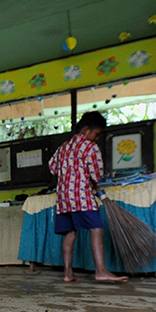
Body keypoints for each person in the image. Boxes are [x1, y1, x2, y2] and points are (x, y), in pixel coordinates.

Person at [48, 111, 127, 283]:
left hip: (63, 199)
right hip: (81, 196)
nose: (97, 138)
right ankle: (101, 271)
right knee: (96, 229)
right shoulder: (91, 148)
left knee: (69, 234)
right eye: (96, 133)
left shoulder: (63, 147)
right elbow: (96, 175)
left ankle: (68, 273)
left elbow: (52, 168)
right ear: (85, 130)